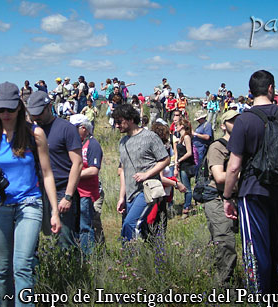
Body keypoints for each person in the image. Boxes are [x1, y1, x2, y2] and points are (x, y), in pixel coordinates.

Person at [0, 82, 61, 306]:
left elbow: (47, 174)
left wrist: (54, 211)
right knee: (3, 269)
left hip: (29, 204)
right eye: (0, 109)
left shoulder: (35, 134)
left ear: (19, 108)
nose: (5, 114)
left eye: (10, 109)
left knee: (23, 265)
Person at [222, 70, 278, 295]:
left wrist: (227, 197)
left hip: (253, 192)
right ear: (271, 89)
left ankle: (259, 296)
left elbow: (234, 166)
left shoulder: (244, 121)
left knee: (255, 249)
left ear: (250, 92)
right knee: (276, 243)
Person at [28, 90, 83, 249]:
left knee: (64, 239)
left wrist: (68, 195)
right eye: (33, 114)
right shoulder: (31, 131)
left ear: (49, 107)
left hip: (61, 190)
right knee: (34, 239)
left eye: (39, 112)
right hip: (37, 190)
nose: (36, 117)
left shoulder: (66, 128)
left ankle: (69, 271)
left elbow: (77, 163)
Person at [113, 104, 169, 241]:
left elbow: (165, 160)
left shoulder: (150, 137)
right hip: (130, 194)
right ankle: (150, 257)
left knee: (130, 224)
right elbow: (124, 171)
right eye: (115, 122)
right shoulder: (123, 142)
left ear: (131, 119)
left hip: (146, 191)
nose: (117, 125)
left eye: (119, 122)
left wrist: (147, 174)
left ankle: (131, 257)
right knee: (141, 228)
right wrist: (122, 197)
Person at [199, 110, 238, 285]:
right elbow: (220, 177)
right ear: (223, 125)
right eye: (232, 121)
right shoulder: (218, 146)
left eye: (239, 120)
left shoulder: (245, 145)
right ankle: (223, 285)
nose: (236, 123)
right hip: (217, 197)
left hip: (237, 197)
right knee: (225, 240)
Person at [70, 114, 103, 255]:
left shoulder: (93, 144)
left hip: (87, 192)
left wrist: (73, 175)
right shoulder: (75, 144)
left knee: (85, 225)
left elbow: (94, 169)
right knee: (75, 224)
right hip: (74, 191)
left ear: (83, 128)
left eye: (75, 128)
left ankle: (87, 256)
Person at [175, 119, 195, 218]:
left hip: (187, 166)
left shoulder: (186, 137)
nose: (175, 127)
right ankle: (186, 205)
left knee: (187, 189)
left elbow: (189, 152)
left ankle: (186, 209)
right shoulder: (180, 138)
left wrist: (180, 160)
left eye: (177, 125)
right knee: (184, 187)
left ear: (182, 126)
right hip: (182, 165)